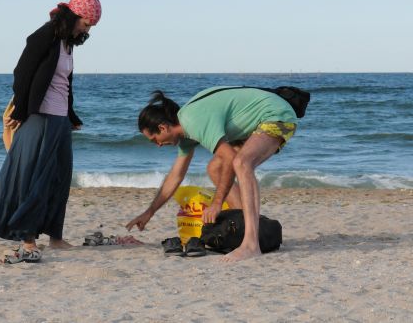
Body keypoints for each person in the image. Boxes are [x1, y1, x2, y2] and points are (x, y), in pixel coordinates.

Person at [0, 0, 102, 263]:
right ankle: (28, 238)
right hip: (39, 116)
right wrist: (21, 110)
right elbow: (22, 73)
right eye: (86, 23)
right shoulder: (45, 36)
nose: (87, 29)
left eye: (90, 26)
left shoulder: (68, 43)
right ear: (74, 16)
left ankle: (55, 237)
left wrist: (71, 115)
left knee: (59, 178)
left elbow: (64, 85)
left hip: (58, 120)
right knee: (33, 179)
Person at [125, 87, 298, 262]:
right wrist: (150, 212)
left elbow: (231, 158)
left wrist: (217, 203)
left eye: (154, 140)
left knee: (241, 163)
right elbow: (175, 175)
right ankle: (246, 228)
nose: (158, 145)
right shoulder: (186, 134)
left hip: (276, 115)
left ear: (162, 127)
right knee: (215, 168)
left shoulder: (193, 121)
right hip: (256, 123)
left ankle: (251, 244)